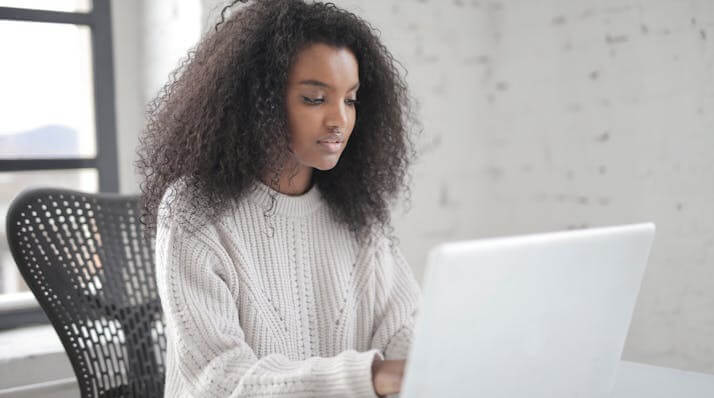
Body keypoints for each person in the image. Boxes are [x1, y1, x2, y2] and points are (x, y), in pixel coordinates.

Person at [137, 0, 421, 396]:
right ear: (258, 104)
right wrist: (369, 377)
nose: (339, 119)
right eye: (315, 99)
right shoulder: (194, 212)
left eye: (350, 99)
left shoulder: (357, 216)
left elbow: (405, 329)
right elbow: (218, 379)